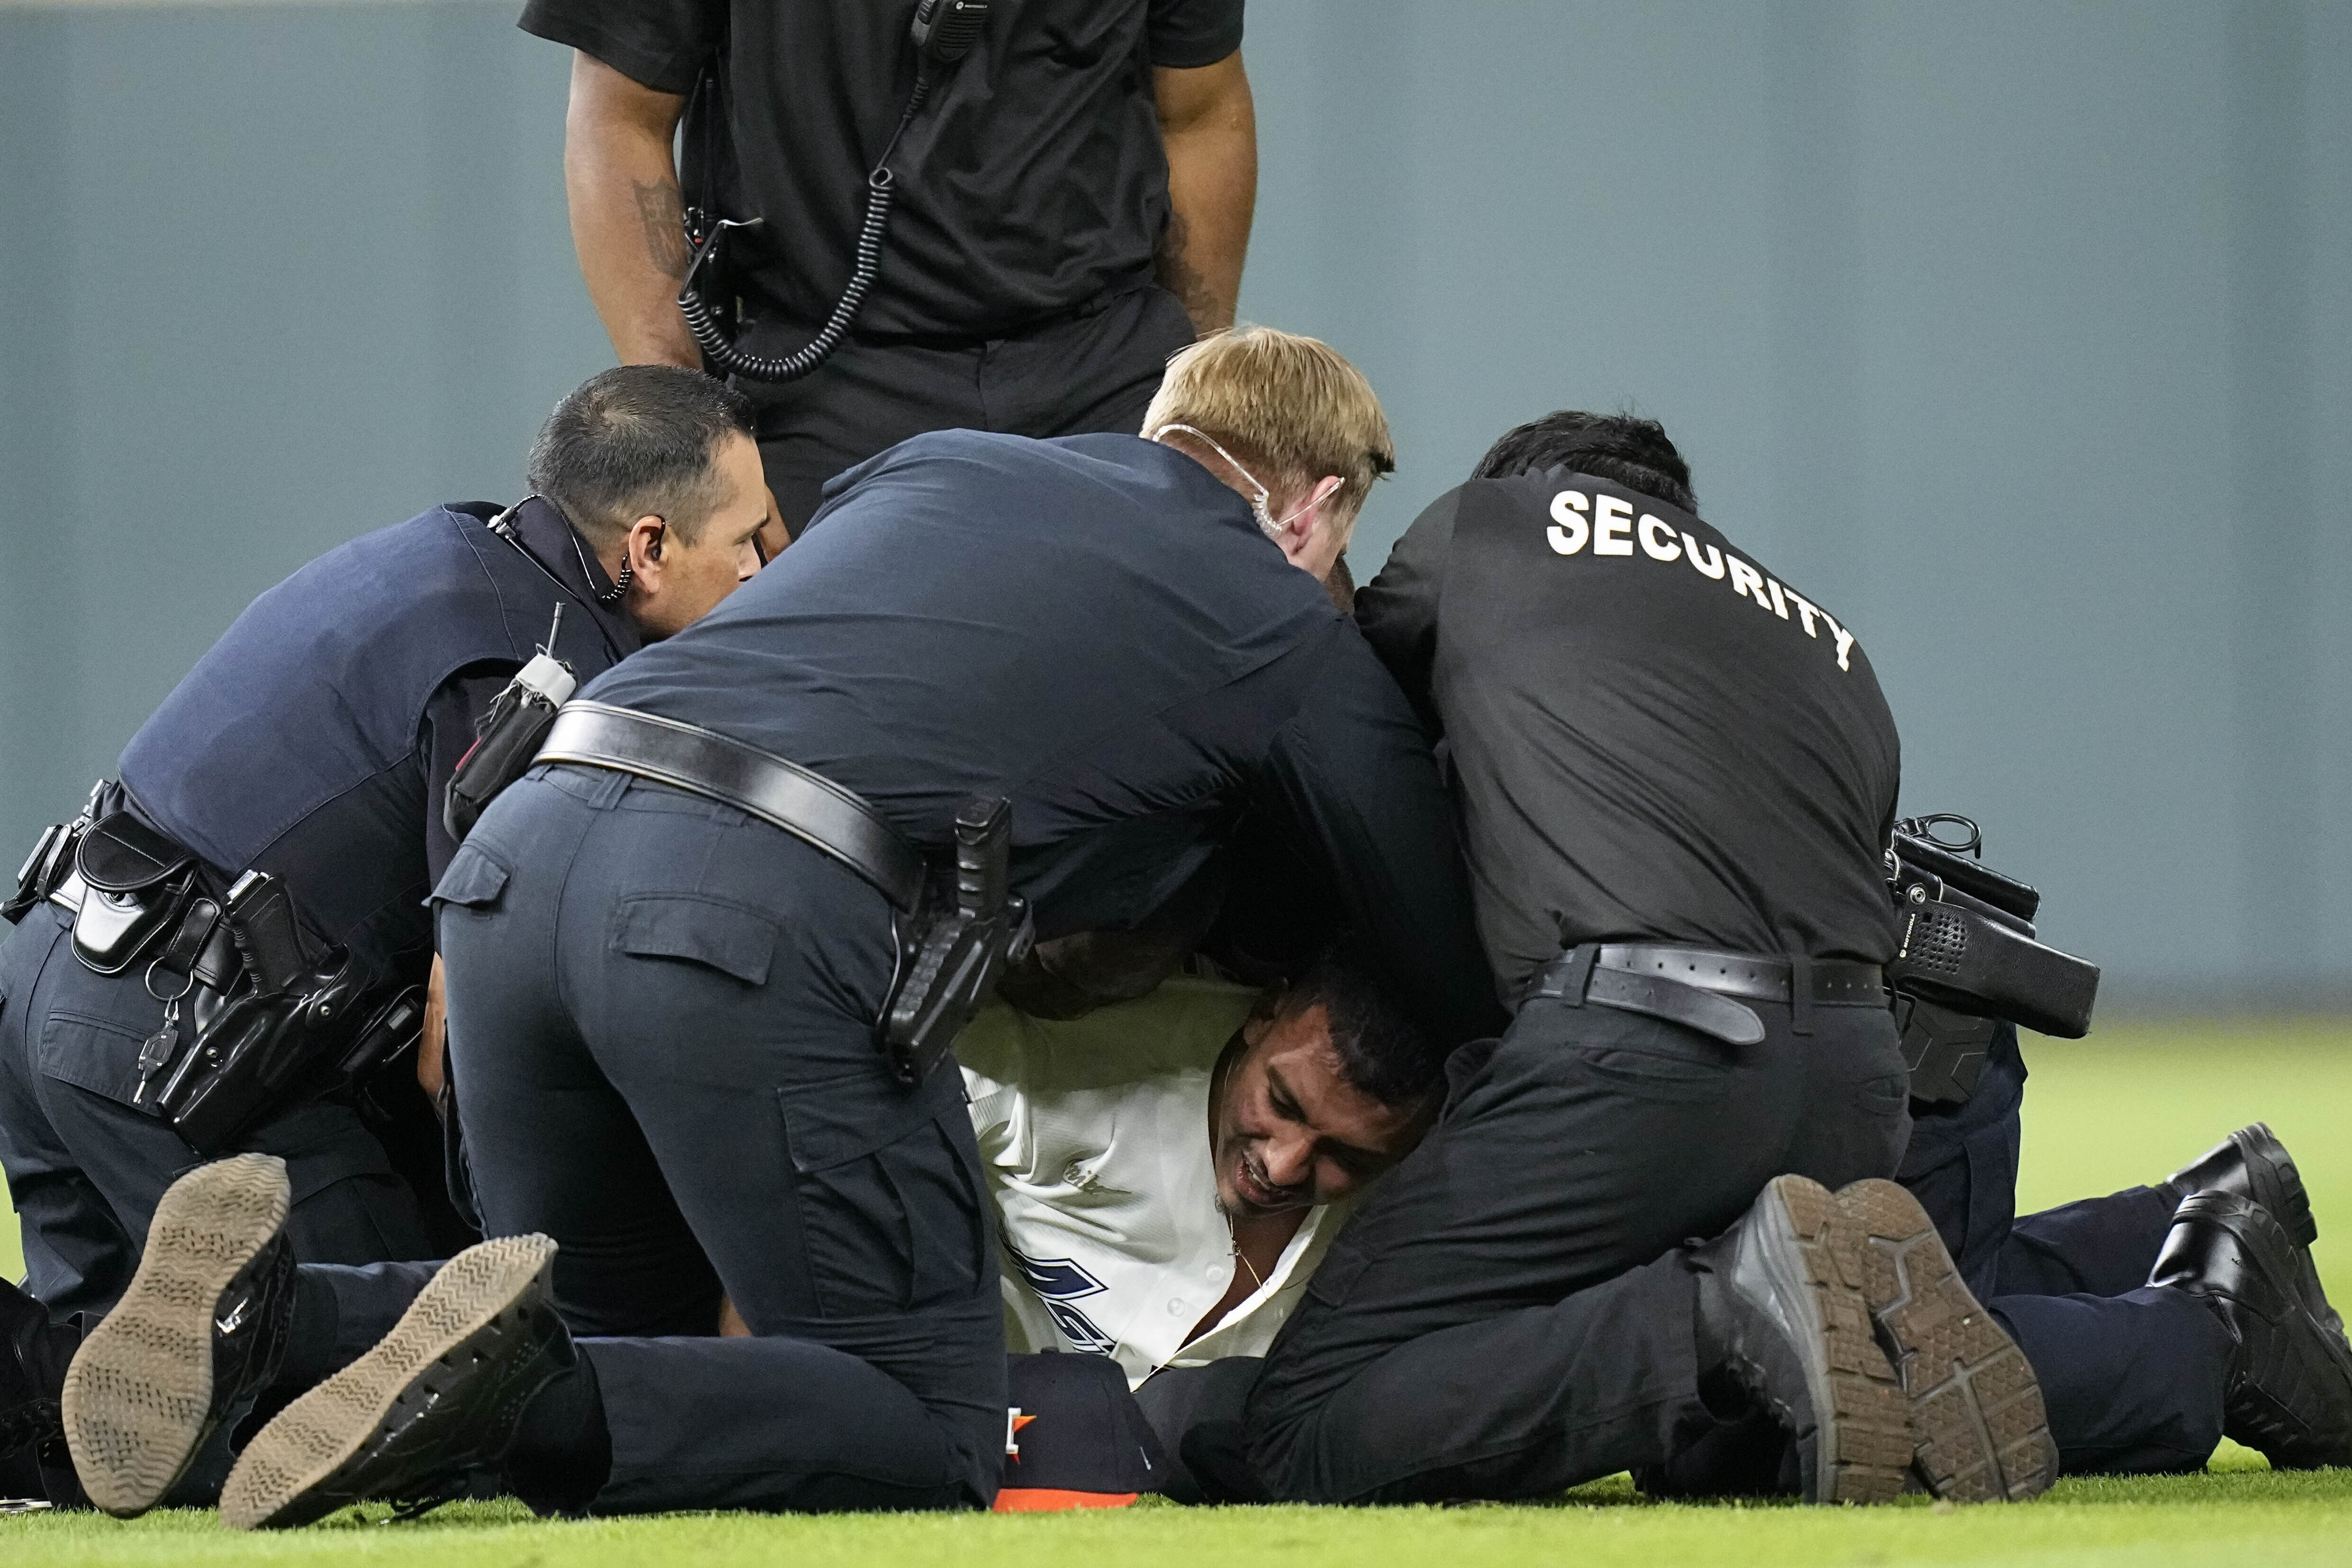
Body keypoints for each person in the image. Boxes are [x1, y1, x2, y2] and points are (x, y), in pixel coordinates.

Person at [59, 326, 1498, 1526]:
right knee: (936, 1426)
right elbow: (1431, 941)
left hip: (520, 850)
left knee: (650, 1368)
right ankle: (492, 1398)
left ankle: (284, 1320)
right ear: (1304, 507)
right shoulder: (1277, 612)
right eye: (1340, 547)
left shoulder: (935, 466)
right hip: (746, 897)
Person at [1231, 411, 2055, 1507]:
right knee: (1735, 1444)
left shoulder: (1499, 525)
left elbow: (1355, 721)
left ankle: (1723, 1305)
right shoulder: (1836, 645)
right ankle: (1810, 1295)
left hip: (1637, 1048)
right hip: (1861, 1080)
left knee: (1300, 1427)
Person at [0, 364, 768, 1512]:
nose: (765, 573)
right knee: (393, 1392)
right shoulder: (544, 666)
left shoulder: (448, 552)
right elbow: (462, 1045)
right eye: (748, 542)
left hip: (44, 983)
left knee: (84, 1424)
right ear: (647, 547)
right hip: (178, 1044)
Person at [526, 0, 1257, 544]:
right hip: (815, 378)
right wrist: (698, 443)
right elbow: (620, 116)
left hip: (1104, 365)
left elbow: (1199, 110)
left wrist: (1198, 386)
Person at [966, 953, 1440, 1388]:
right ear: (1266, 1013)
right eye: (1281, 1103)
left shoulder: (1418, 1215)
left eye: (1347, 1157)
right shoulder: (1041, 1067)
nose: (1282, 1168)